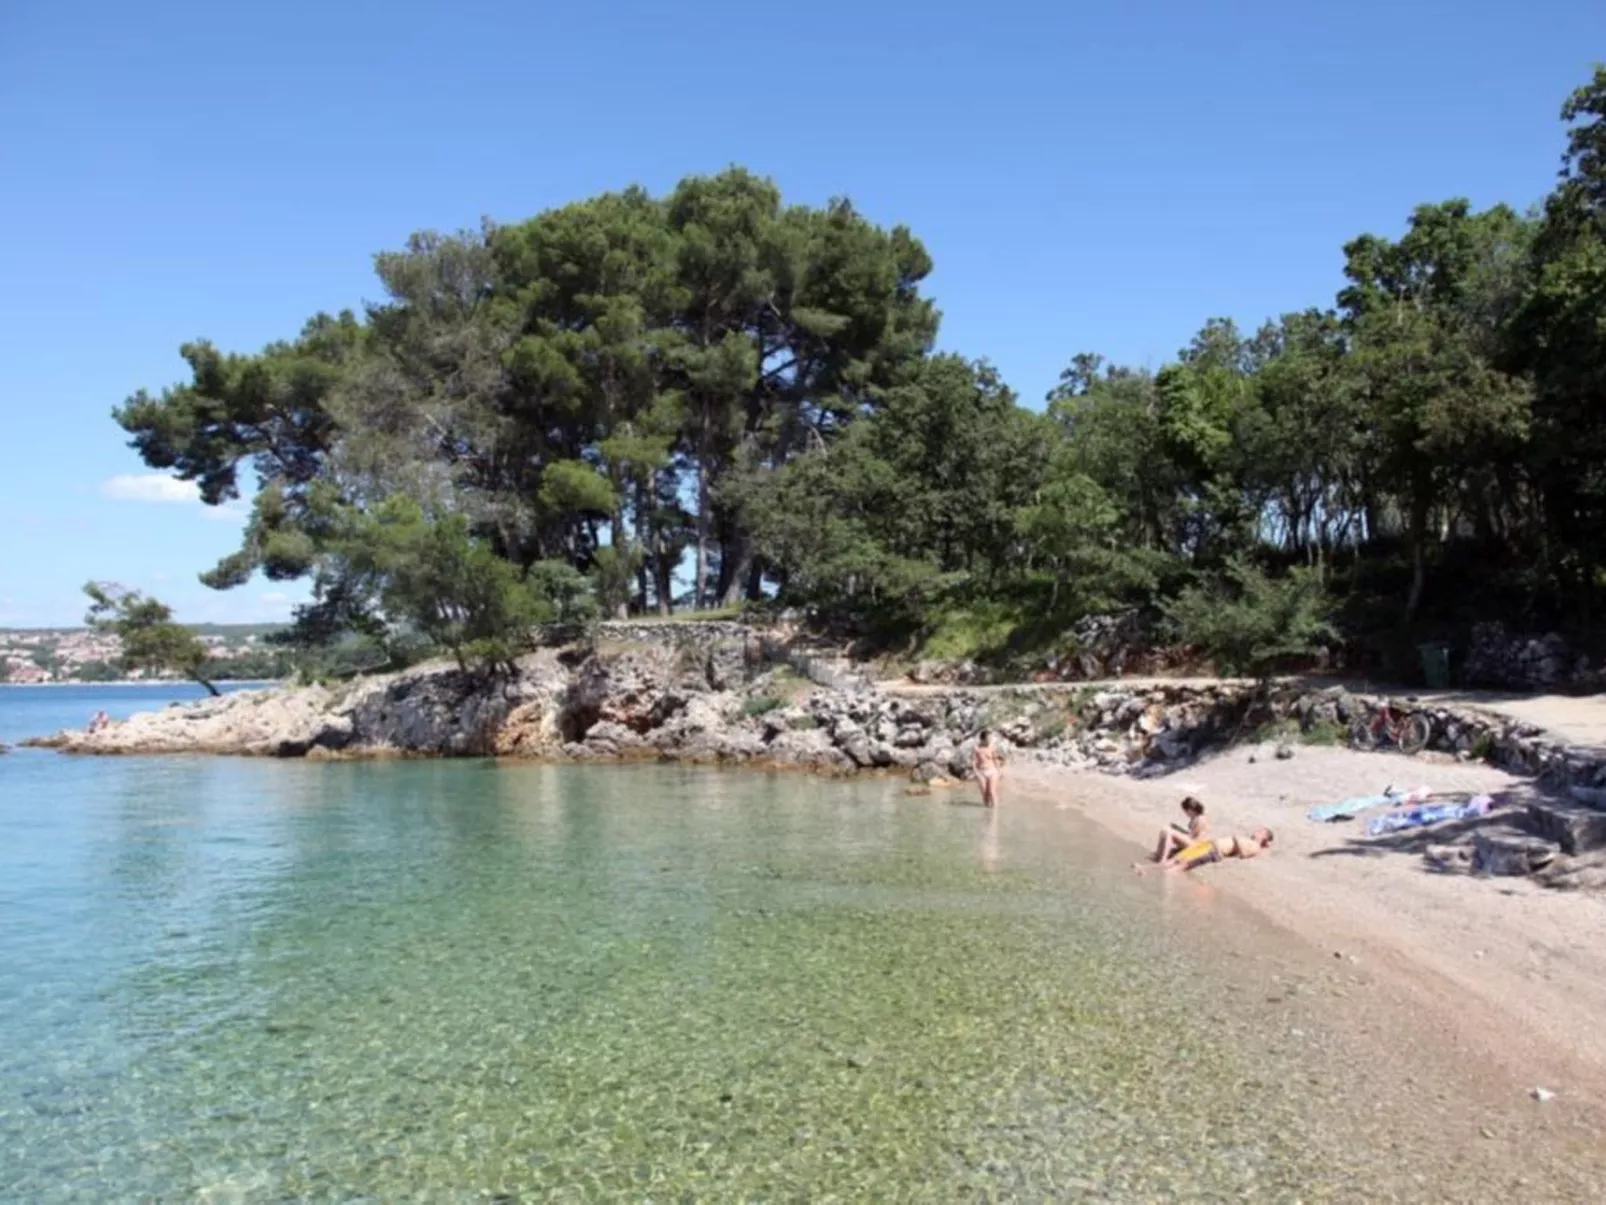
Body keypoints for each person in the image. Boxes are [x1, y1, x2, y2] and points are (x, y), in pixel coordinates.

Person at [1162, 827, 1275, 873]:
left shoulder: (1255, 847)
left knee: (1184, 864)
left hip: (1215, 851)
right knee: (1179, 858)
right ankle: (1158, 871)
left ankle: (1164, 877)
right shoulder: (1249, 840)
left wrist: (1236, 839)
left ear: (1264, 838)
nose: (1256, 831)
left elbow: (1243, 854)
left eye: (1260, 832)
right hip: (1211, 845)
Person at [1139, 796, 1209, 867]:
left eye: (1186, 811)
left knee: (1168, 832)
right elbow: (1191, 834)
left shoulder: (1200, 819)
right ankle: (1159, 855)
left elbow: (1191, 837)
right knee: (1166, 830)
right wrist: (1178, 829)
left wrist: (1177, 832)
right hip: (1192, 842)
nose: (1186, 814)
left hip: (1195, 845)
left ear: (1190, 809)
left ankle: (1162, 860)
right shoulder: (1196, 817)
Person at [972, 730, 1004, 808]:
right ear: (983, 739)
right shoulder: (976, 748)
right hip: (981, 772)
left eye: (990, 738)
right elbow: (973, 761)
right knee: (985, 793)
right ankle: (987, 812)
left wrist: (999, 771)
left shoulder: (992, 747)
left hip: (992, 771)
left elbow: (995, 759)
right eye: (988, 738)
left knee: (992, 792)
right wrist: (975, 771)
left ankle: (995, 811)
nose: (990, 740)